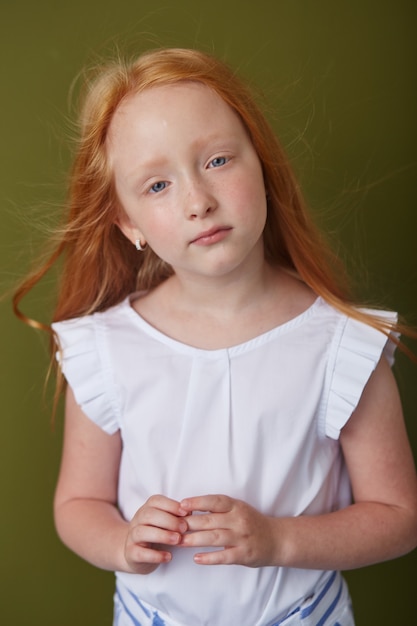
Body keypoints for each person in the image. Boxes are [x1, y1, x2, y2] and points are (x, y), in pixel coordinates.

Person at [13, 48, 417, 626]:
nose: (198, 201)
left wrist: (279, 541)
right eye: (157, 185)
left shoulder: (342, 347)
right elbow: (78, 504)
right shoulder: (106, 349)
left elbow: (399, 516)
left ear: (263, 166)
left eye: (219, 160)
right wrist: (122, 543)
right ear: (129, 224)